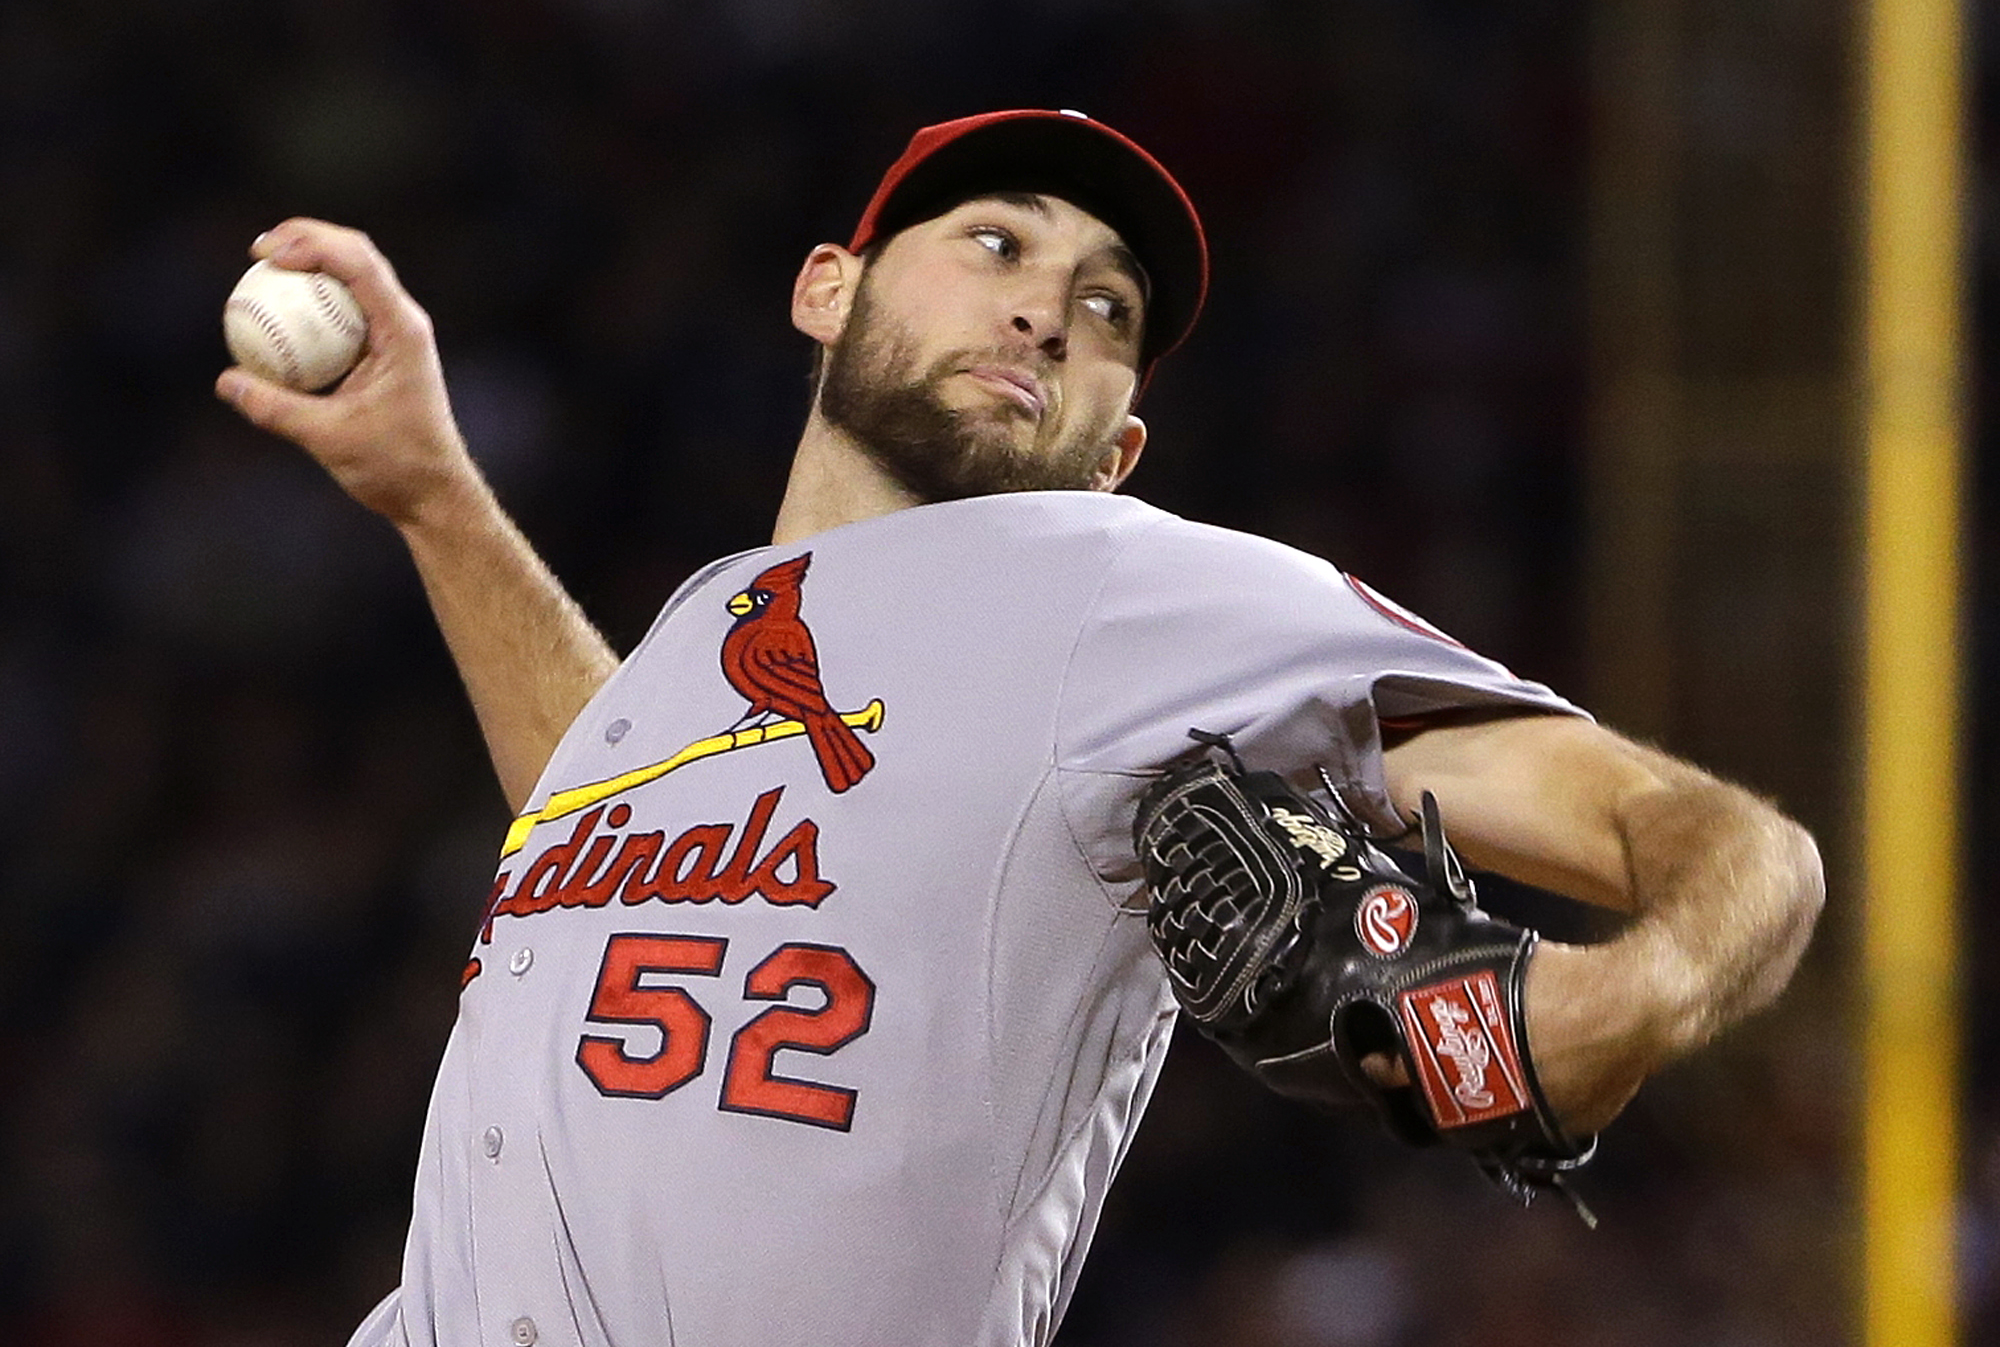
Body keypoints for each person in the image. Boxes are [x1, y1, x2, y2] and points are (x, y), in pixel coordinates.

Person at [215, 109, 1824, 1347]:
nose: (1048, 309)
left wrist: (1637, 999)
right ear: (827, 288)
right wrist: (434, 498)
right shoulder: (719, 626)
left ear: (1117, 448)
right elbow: (609, 800)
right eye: (995, 245)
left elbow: (1723, 844)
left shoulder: (1130, 595)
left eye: (1104, 305)